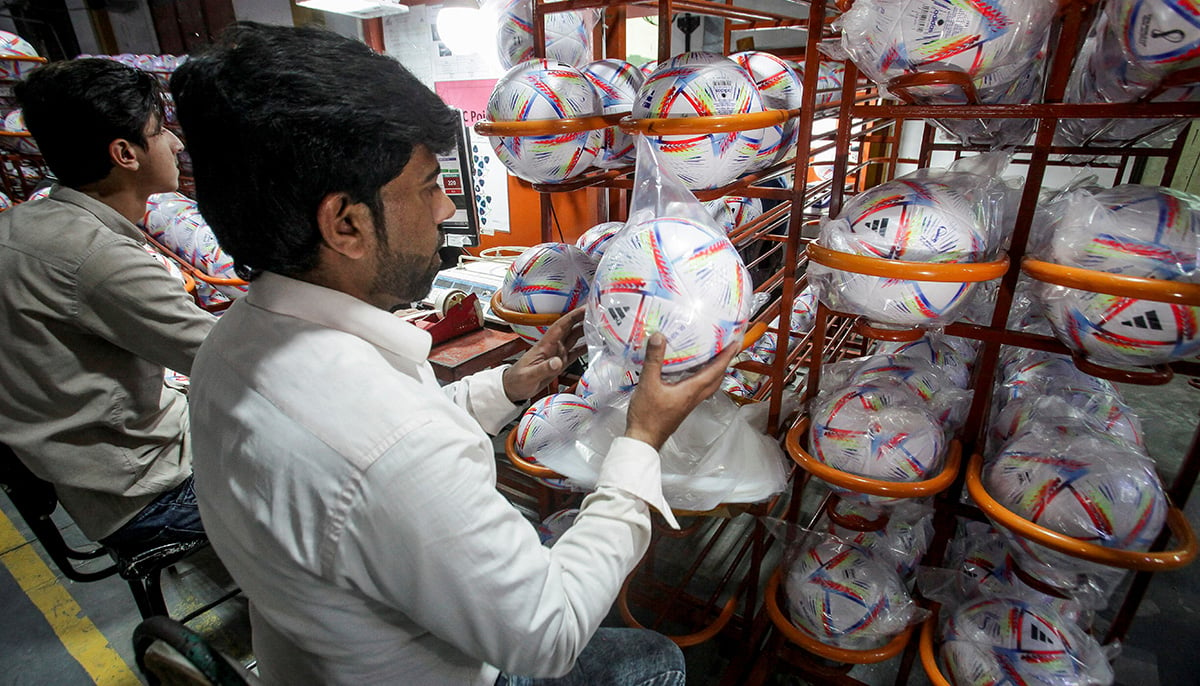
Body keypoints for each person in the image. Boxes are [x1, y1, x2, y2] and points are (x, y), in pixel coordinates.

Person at [174, 22, 738, 686]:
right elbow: (548, 636)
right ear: (346, 224)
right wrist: (641, 440)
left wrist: (507, 386)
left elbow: (390, 438)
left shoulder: (233, 342)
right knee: (658, 659)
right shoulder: (388, 444)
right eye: (424, 185)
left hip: (312, 658)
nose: (446, 206)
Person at [0, 58, 215, 556]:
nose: (177, 145)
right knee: (322, 472)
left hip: (81, 476)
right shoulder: (98, 259)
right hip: (150, 496)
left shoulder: (19, 226)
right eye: (161, 132)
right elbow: (226, 358)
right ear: (125, 153)